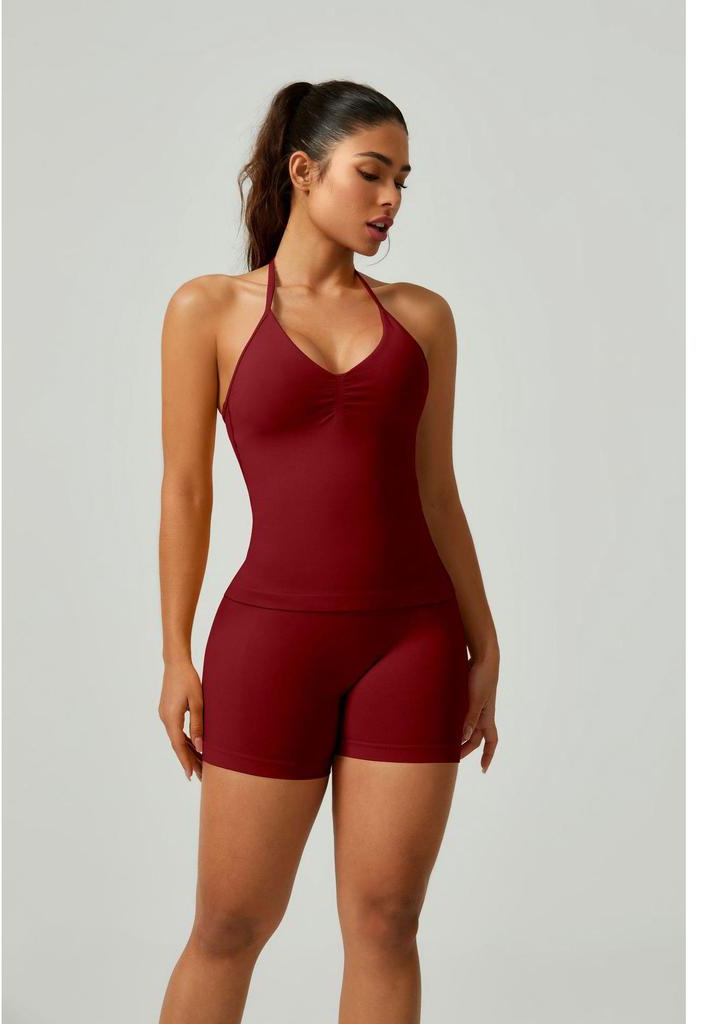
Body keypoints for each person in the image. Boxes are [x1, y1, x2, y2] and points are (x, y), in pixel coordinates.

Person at [157, 79, 500, 1023]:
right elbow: (186, 490)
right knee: (230, 925)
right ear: (304, 171)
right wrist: (176, 653)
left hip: (414, 643)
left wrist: (485, 644)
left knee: (388, 924)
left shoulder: (423, 319)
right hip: (272, 643)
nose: (391, 199)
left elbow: (437, 493)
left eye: (403, 181)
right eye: (372, 174)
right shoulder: (208, 310)